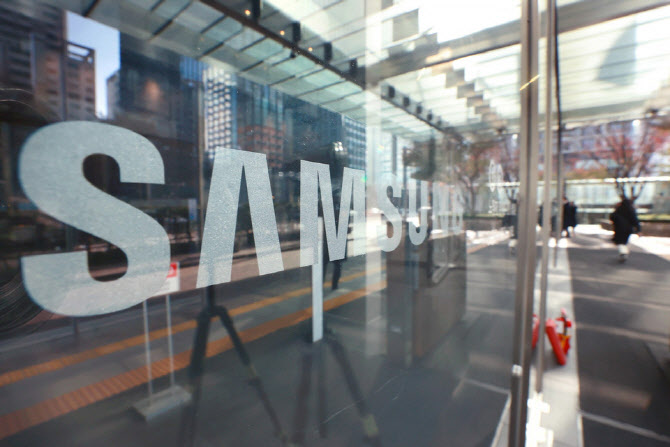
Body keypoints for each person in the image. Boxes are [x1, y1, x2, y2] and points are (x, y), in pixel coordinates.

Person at [609, 198, 641, 262]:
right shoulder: (631, 210)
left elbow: (612, 217)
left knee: (620, 241)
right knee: (624, 241)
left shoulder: (618, 209)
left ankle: (623, 252)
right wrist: (638, 230)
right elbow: (635, 220)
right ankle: (624, 251)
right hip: (628, 229)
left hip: (619, 228)